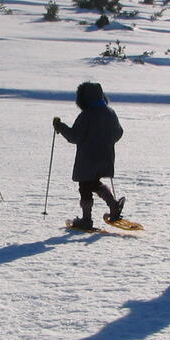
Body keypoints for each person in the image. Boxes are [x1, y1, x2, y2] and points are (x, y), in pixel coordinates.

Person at [53, 81, 125, 230]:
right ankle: (114, 206)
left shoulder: (86, 115)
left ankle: (86, 220)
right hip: (106, 156)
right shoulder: (110, 113)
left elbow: (74, 137)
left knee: (85, 185)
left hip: (87, 158)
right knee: (93, 183)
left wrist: (60, 127)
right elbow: (119, 133)